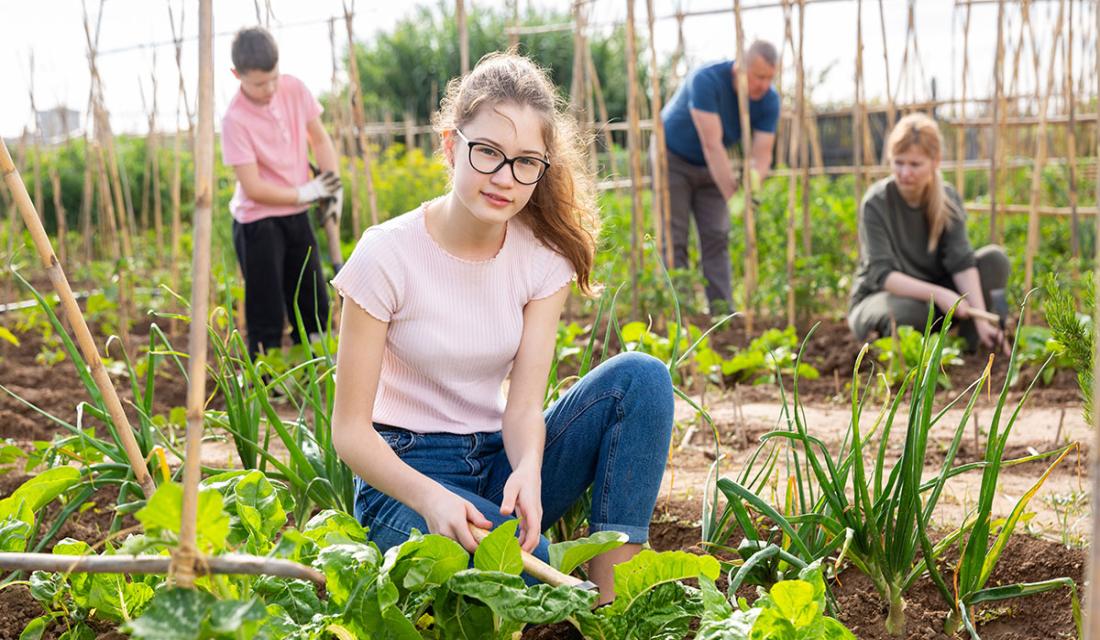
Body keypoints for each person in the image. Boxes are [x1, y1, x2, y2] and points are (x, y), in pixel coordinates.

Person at [330, 53, 674, 604]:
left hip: (498, 459)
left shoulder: (541, 258)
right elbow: (349, 432)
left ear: (542, 167)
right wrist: (430, 498)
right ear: (450, 145)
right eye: (487, 152)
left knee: (642, 378)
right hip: (404, 478)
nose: (504, 178)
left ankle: (616, 603)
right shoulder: (385, 254)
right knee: (515, 571)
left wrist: (530, 471)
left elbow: (522, 407)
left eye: (525, 162)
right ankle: (539, 574)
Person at [221, 27, 342, 359]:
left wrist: (331, 184)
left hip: (296, 216)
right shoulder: (234, 120)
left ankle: (317, 372)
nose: (270, 89)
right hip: (257, 224)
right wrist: (306, 192)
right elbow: (254, 188)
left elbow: (319, 138)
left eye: (273, 77)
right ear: (237, 75)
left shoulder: (293, 89)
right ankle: (268, 382)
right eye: (259, 83)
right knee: (267, 308)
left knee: (312, 298)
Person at [848, 113, 1010, 353]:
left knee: (994, 260)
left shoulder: (947, 199)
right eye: (898, 162)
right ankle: (909, 348)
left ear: (935, 162)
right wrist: (941, 295)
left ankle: (974, 343)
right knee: (904, 314)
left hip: (936, 301)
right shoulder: (876, 202)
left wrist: (981, 318)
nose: (904, 172)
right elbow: (883, 276)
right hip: (883, 297)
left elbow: (961, 263)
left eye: (915, 164)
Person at [659, 40, 780, 314]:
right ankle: (682, 311)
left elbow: (762, 156)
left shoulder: (769, 101)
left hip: (715, 166)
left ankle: (722, 312)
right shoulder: (707, 80)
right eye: (759, 76)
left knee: (717, 234)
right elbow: (711, 144)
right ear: (739, 69)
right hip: (672, 157)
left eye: (770, 78)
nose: (764, 85)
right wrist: (734, 196)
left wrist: (753, 190)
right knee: (674, 235)